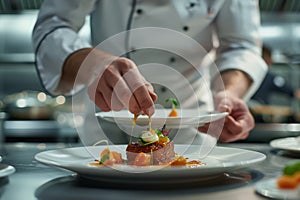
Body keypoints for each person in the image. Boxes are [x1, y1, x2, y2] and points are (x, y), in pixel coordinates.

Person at [32, 0, 267, 143]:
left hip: (192, 126)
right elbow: (53, 24)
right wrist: (94, 65)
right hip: (106, 123)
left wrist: (229, 95)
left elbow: (241, 46)